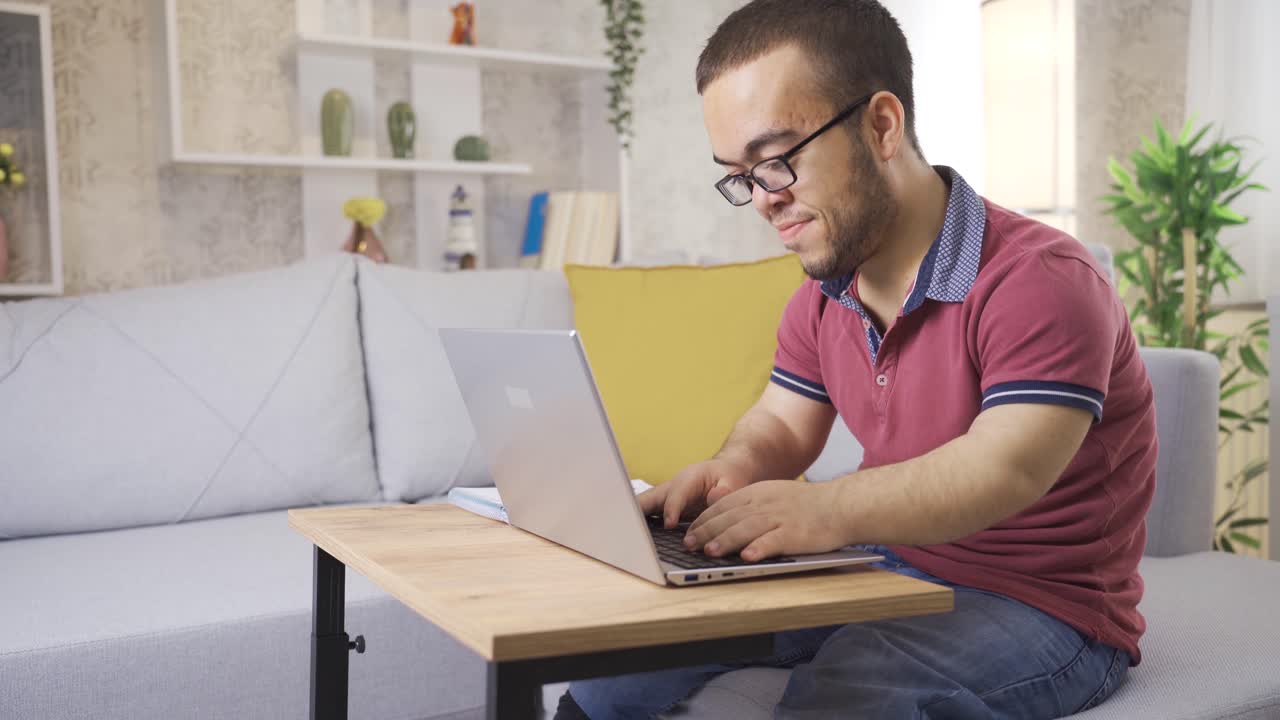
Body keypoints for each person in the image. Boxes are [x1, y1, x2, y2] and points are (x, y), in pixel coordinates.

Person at [555, 1, 1156, 717]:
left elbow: (1006, 468)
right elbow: (780, 426)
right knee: (618, 664)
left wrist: (824, 508)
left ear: (881, 125)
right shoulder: (823, 293)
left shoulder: (1041, 279)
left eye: (777, 162)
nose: (763, 202)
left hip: (1045, 606)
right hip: (883, 563)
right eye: (740, 176)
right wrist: (730, 474)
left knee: (850, 692)